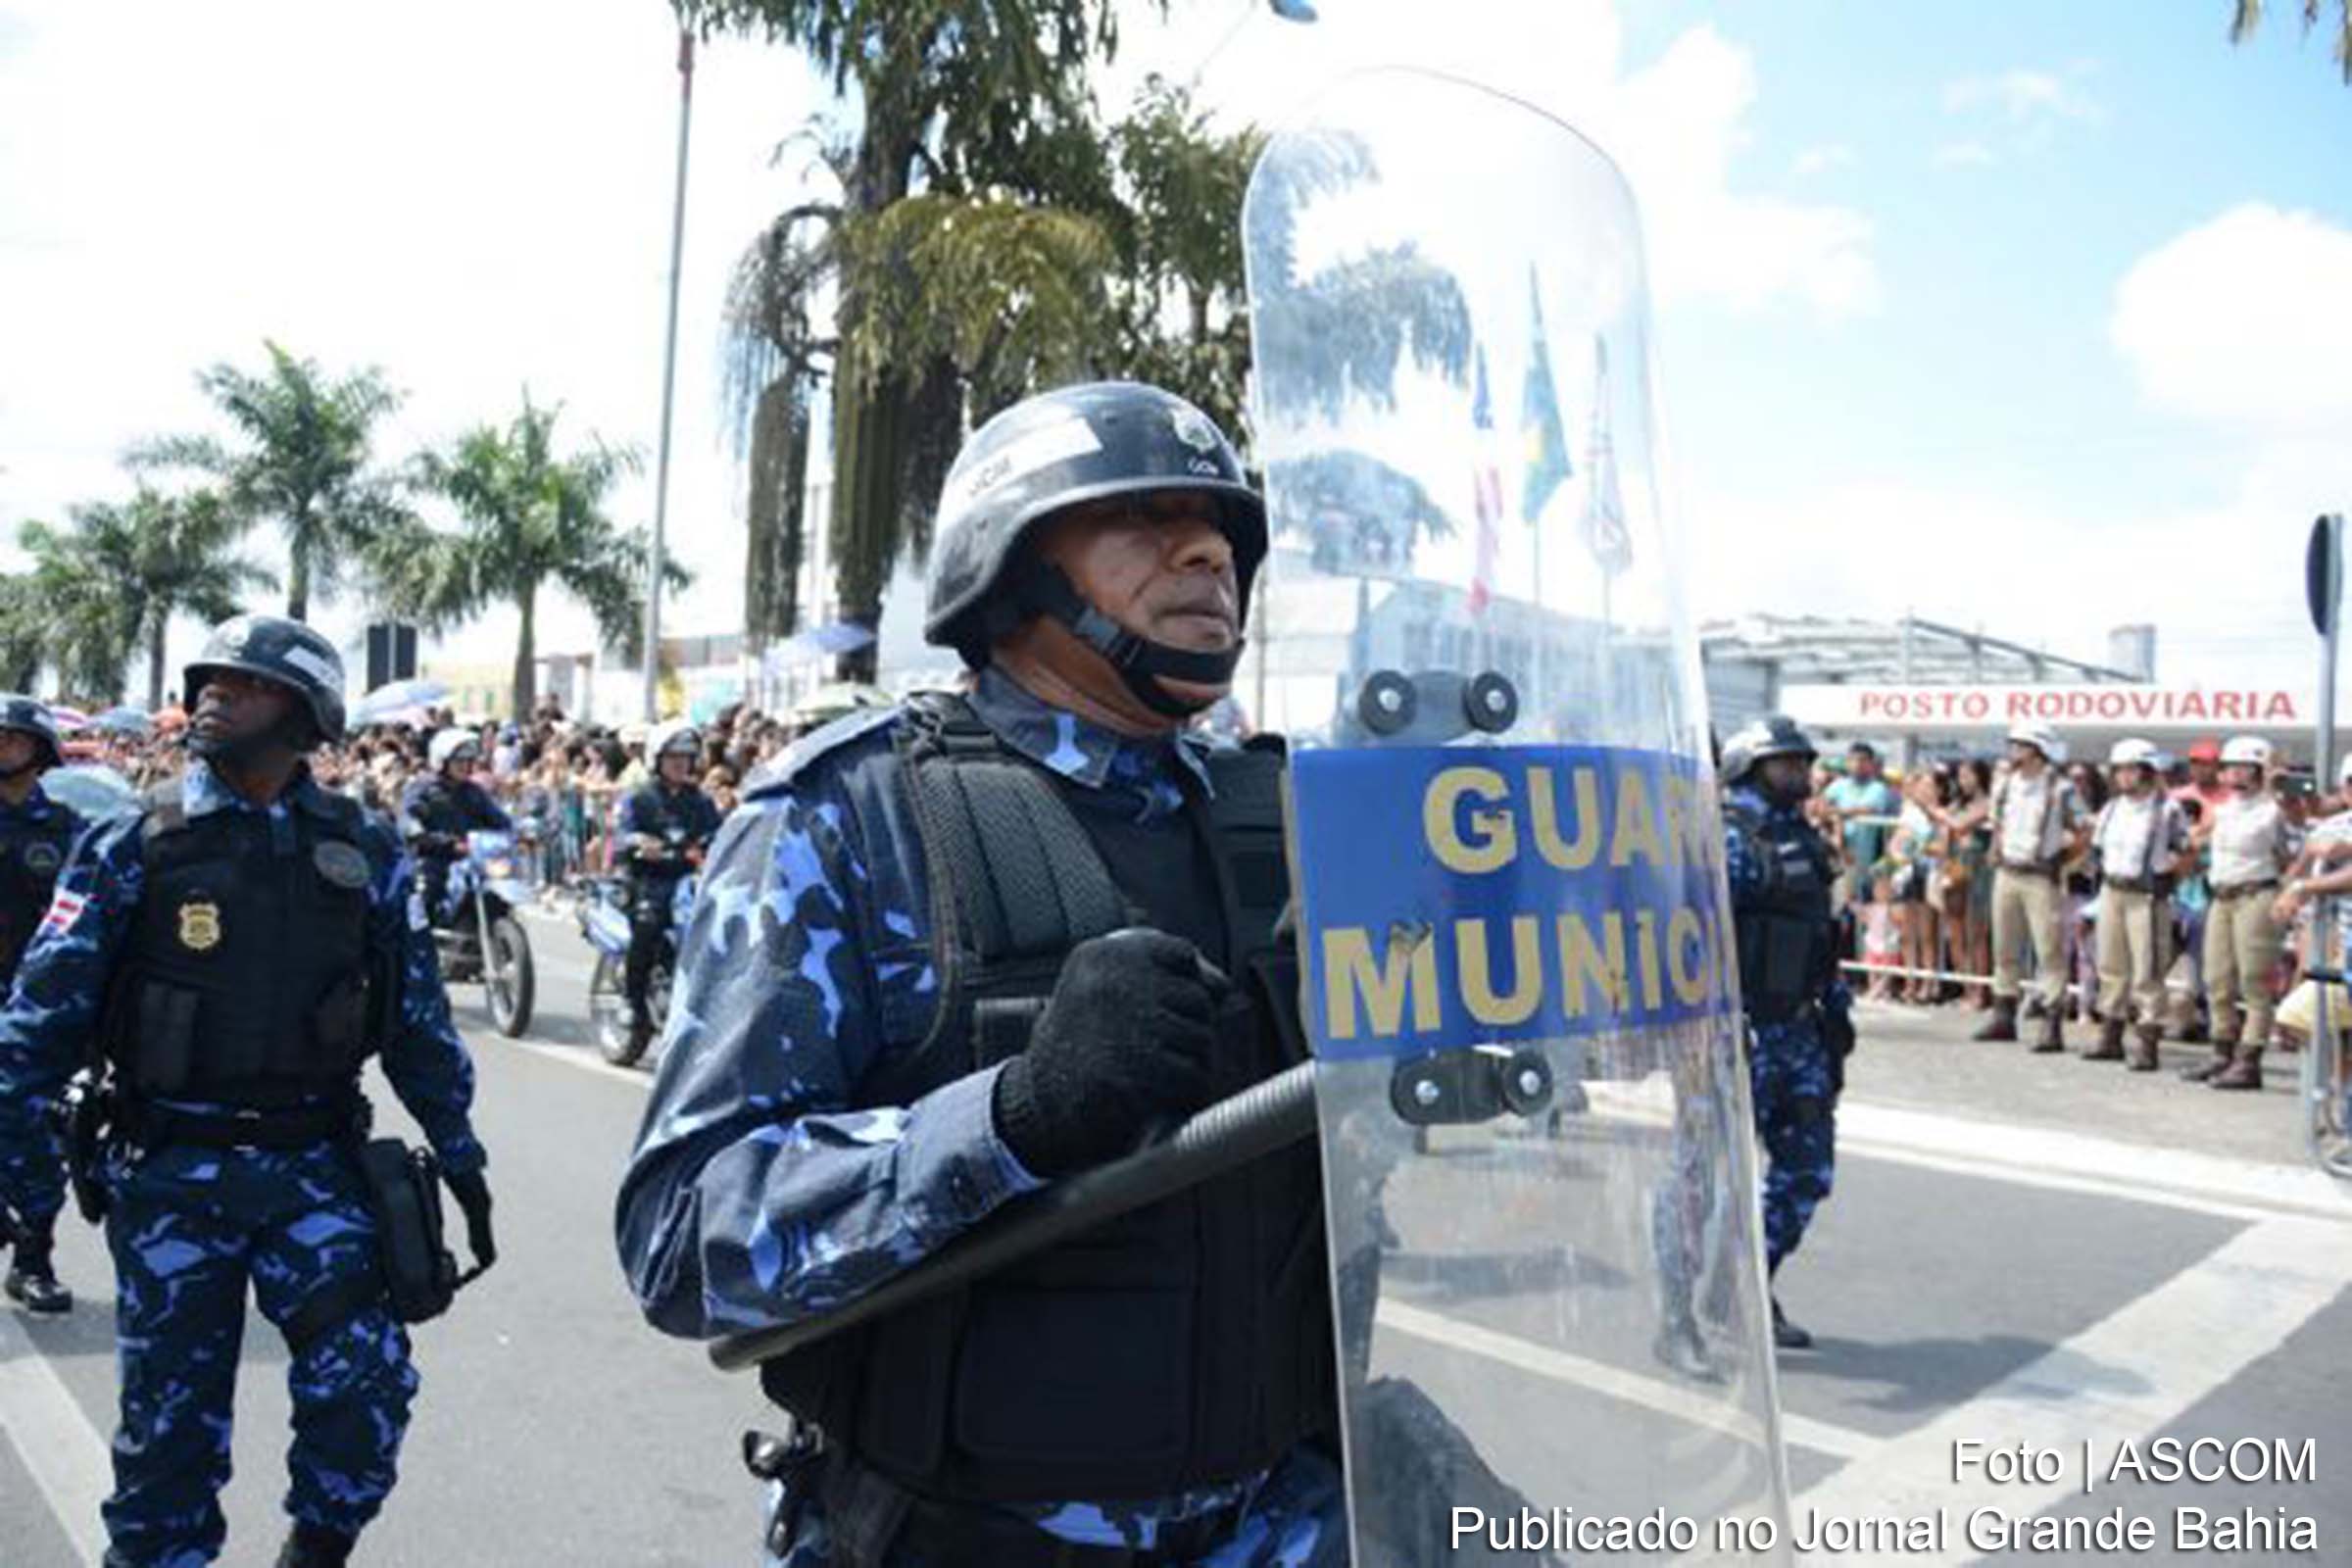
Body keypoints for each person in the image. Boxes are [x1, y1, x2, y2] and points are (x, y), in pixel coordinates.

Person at [615, 382, 1343, 1567]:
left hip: (1285, 1522)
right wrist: (1009, 1118)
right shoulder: (845, 816)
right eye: (1148, 517)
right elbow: (684, 1240)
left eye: (1221, 528)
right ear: (1010, 570)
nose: (1209, 549)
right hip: (968, 1534)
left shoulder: (1296, 820)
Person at [0, 614, 494, 1568]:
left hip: (316, 1168)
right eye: (211, 678)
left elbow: (418, 1024)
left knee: (367, 1388)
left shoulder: (364, 852)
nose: (217, 693)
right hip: (172, 1173)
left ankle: (315, 1550)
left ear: (308, 716)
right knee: (169, 1447)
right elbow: (37, 1023)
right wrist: (19, 1147)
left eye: (248, 682)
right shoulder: (132, 844)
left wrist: (461, 1153)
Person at [1715, 714, 1853, 1352]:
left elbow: (1823, 935)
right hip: (1736, 1035)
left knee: (1806, 1172)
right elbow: (1702, 937)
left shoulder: (1802, 834)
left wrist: (1835, 1017)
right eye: (1784, 762)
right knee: (1702, 1182)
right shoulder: (1729, 834)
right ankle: (1683, 1315)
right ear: (1750, 766)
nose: (1800, 771)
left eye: (1802, 761)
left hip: (1798, 1033)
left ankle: (1742, 1288)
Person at [0, 696, 84, 1315]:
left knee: (39, 1130)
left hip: (38, 1006)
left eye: (11, 739)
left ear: (40, 749)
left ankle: (33, 1257)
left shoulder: (66, 830)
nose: (1, 748)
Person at [2185, 735, 2295, 1090]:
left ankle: (2250, 1059)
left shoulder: (2274, 811)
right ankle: (2222, 1051)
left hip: (2256, 894)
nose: (2233, 774)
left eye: (2242, 767)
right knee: (2216, 977)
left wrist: (2287, 893)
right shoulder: (2223, 809)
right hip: (2221, 895)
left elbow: (2290, 858)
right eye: (2229, 767)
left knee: (2254, 980)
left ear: (2260, 771)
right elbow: (2197, 841)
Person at [614, 720, 723, 1056]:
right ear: (657, 759)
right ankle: (632, 1000)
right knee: (647, 925)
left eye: (686, 757)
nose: (680, 763)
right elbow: (623, 833)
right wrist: (638, 843)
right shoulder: (640, 798)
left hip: (690, 880)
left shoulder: (700, 801)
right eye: (673, 756)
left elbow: (719, 834)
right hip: (650, 880)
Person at [1977, 723, 2085, 1051]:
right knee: (2004, 947)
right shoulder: (2005, 784)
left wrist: (2065, 859)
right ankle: (2003, 1015)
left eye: (2020, 745)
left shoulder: (2060, 788)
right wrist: (1995, 847)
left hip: (2041, 875)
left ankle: (2052, 1022)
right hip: (2008, 871)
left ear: (2038, 749)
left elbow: (2084, 828)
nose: (2013, 751)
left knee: (2049, 950)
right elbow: (1998, 823)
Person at [2085, 739, 2189, 1070]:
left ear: (2146, 771)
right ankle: (2111, 1033)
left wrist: (2167, 879)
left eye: (2130, 769)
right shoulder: (2113, 807)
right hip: (2113, 889)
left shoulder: (2166, 809)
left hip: (2146, 895)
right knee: (2110, 965)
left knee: (2148, 968)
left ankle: (2148, 1038)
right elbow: (2098, 847)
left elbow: (2185, 850)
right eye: (2119, 770)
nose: (2123, 777)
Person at [400, 727, 513, 925]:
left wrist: (519, 834)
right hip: (436, 858)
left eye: (470, 761)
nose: (466, 766)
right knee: (424, 896)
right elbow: (408, 818)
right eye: (460, 761)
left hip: (472, 859)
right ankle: (420, 944)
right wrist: (420, 832)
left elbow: (499, 819)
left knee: (500, 889)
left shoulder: (474, 792)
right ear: (442, 761)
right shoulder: (423, 789)